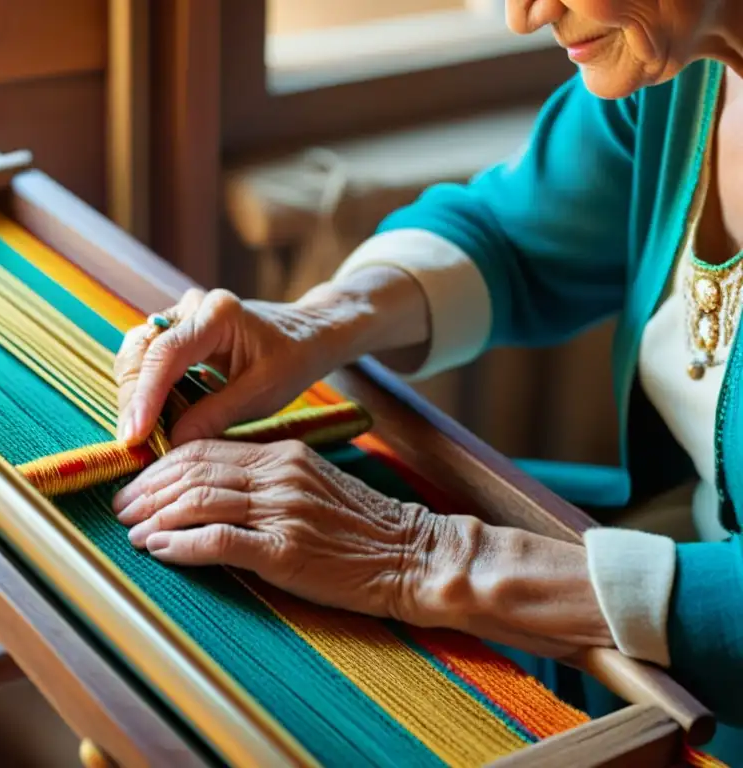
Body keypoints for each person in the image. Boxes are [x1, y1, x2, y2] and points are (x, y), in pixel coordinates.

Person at [111, 0, 743, 760]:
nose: (525, 15)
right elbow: (516, 232)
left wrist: (435, 559)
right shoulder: (685, 66)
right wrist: (318, 320)